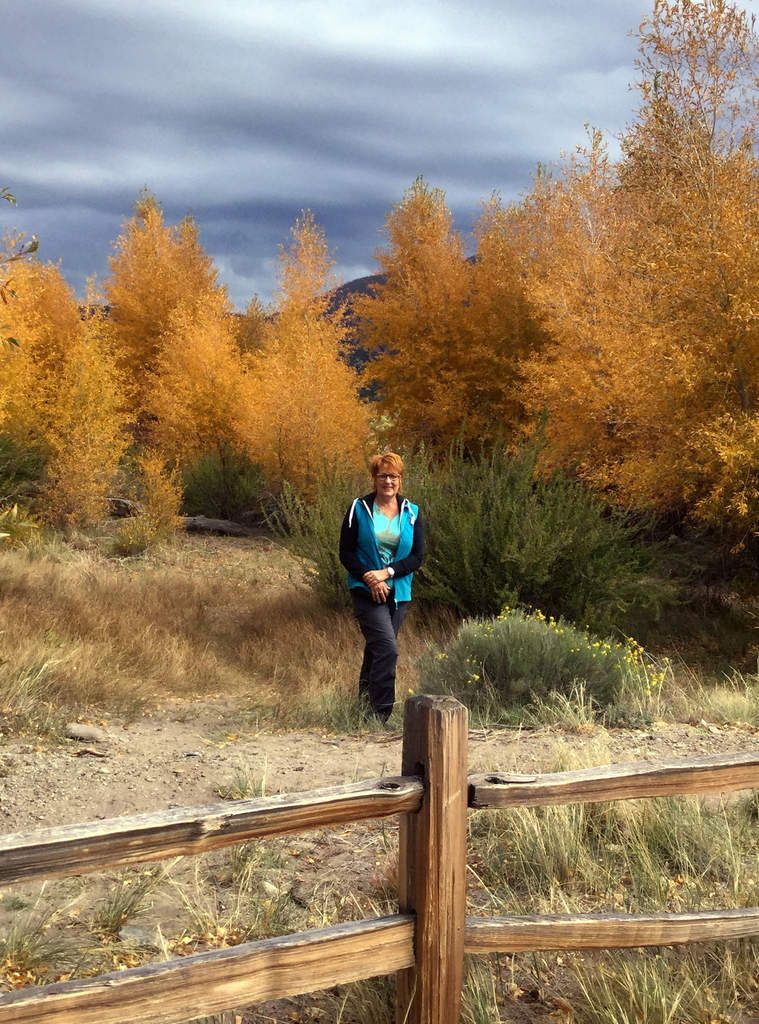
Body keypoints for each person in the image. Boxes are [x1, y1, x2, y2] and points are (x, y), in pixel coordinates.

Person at [339, 452, 425, 723]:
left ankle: (364, 709)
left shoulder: (412, 512)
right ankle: (381, 716)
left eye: (393, 476)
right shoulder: (358, 508)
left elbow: (417, 557)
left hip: (399, 593)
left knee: (376, 650)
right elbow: (345, 552)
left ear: (401, 479)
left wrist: (387, 573)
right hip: (366, 591)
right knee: (388, 649)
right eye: (383, 476)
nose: (388, 481)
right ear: (374, 478)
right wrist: (370, 578)